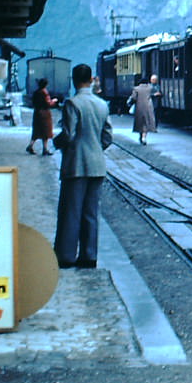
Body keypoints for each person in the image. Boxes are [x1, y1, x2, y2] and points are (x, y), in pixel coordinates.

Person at [54, 63, 113, 269]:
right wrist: (96, 148)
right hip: (97, 165)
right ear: (91, 80)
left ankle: (66, 255)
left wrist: (56, 142)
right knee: (91, 212)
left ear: (74, 80)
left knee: (71, 211)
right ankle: (89, 256)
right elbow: (107, 137)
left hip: (76, 164)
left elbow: (68, 134)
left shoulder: (73, 103)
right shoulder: (102, 104)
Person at [26, 78, 58, 155]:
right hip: (45, 114)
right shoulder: (44, 92)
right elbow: (48, 103)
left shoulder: (36, 92)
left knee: (37, 131)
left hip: (37, 112)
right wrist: (54, 101)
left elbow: (33, 102)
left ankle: (31, 145)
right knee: (45, 132)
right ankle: (45, 149)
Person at [127, 75, 157, 145]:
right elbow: (155, 93)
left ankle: (141, 137)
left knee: (140, 123)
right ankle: (144, 137)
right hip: (148, 108)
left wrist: (130, 103)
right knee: (146, 123)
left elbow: (134, 98)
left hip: (139, 108)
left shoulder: (136, 89)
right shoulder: (150, 88)